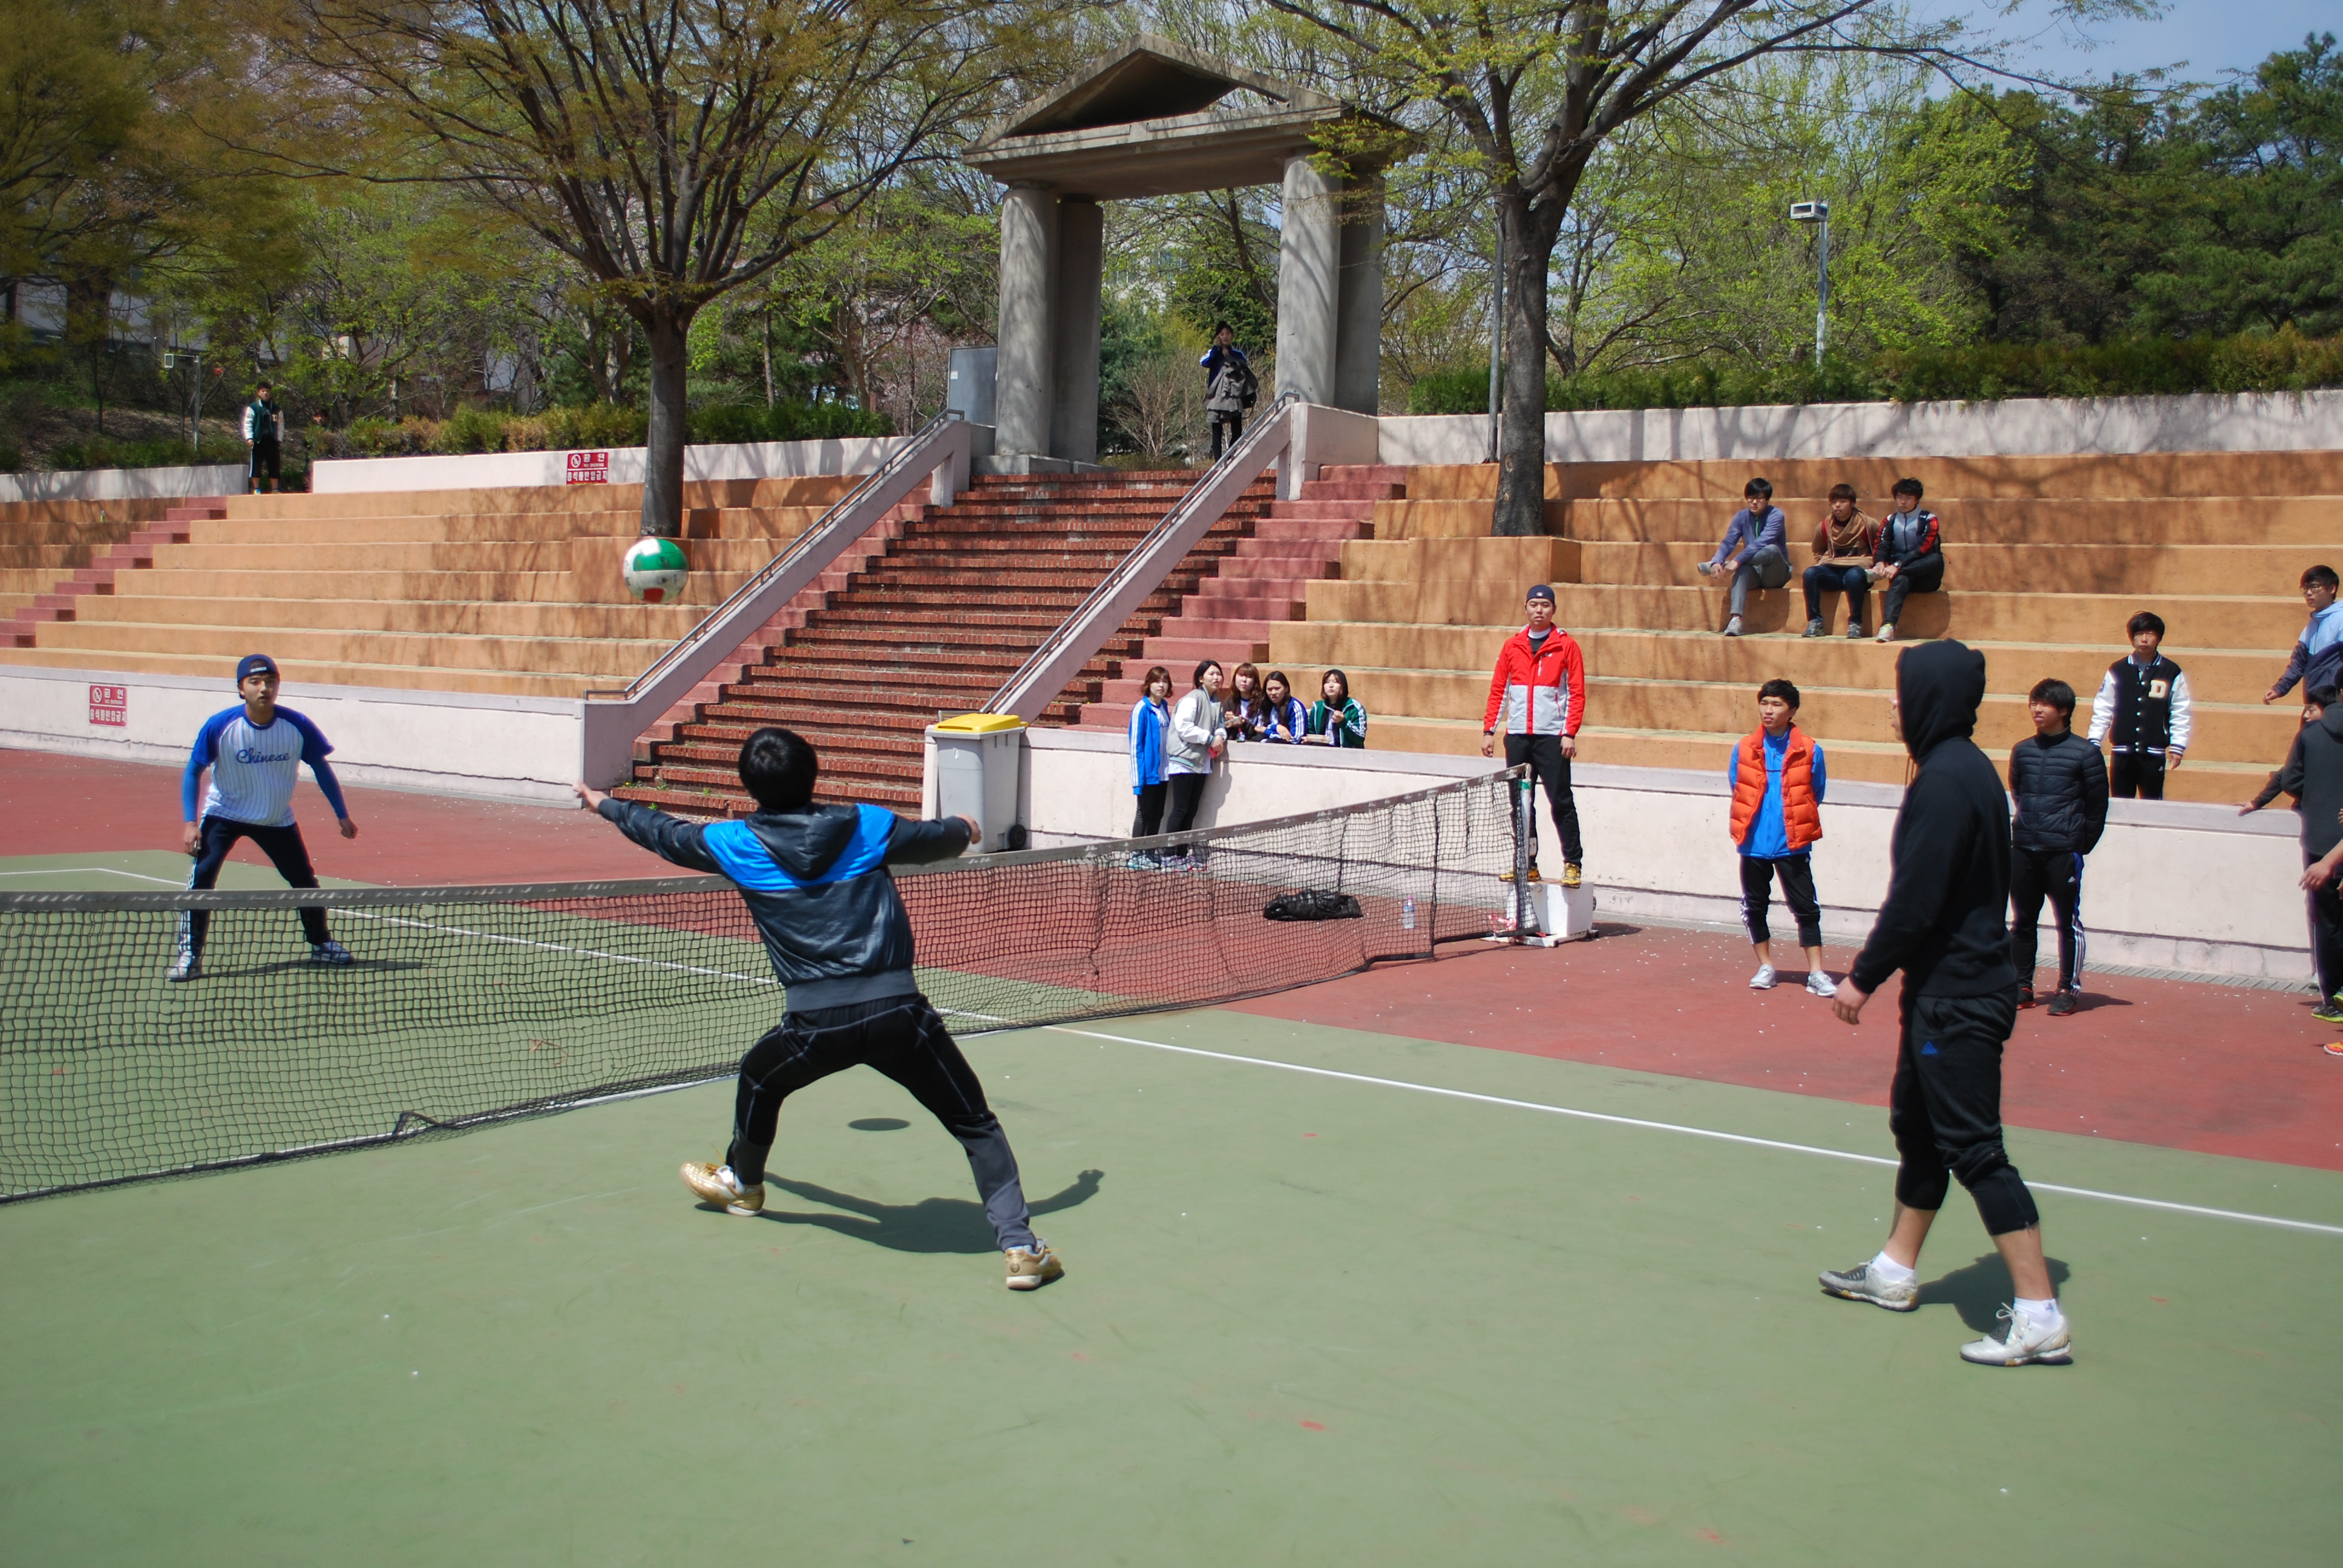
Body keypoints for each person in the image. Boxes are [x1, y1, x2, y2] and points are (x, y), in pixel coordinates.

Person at [571, 728, 1066, 1290]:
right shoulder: (866, 826)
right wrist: (965, 828)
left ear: (748, 785)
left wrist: (604, 804)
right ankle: (1021, 1247)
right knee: (975, 1123)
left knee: (760, 1077)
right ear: (814, 773)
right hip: (899, 1017)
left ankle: (744, 1184)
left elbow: (662, 832)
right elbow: (940, 838)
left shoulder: (732, 843)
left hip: (815, 1027)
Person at [1821, 641, 2071, 1367]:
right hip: (1944, 991)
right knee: (1920, 1131)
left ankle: (2038, 1314)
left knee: (1974, 1148)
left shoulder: (1946, 781)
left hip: (1958, 1000)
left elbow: (1916, 899)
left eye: (1902, 696)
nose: (1892, 708)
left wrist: (1862, 976)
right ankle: (1893, 1272)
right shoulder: (1962, 770)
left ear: (1930, 701)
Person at [169, 653, 357, 982]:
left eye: (270, 682)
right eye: (255, 682)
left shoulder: (297, 725)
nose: (264, 688)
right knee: (202, 880)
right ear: (241, 689)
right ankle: (190, 954)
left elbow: (321, 768)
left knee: (304, 882)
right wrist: (190, 823)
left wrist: (342, 814)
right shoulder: (220, 726)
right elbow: (193, 771)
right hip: (224, 814)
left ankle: (322, 944)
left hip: (275, 819)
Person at [2008, 678, 2109, 1016]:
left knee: (2068, 923)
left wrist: (2080, 844)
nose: (2036, 709)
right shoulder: (2022, 750)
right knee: (2022, 922)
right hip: (2024, 847)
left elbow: (2097, 805)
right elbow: (2019, 793)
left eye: (2045, 704)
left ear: (2064, 710)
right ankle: (2022, 986)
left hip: (2063, 851)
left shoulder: (2086, 753)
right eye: (2033, 703)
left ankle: (2067, 988)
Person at [1729, 678, 1832, 995]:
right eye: (1764, 703)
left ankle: (1816, 973)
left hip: (1793, 843)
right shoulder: (1743, 748)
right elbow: (1737, 786)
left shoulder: (1810, 749)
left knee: (1806, 908)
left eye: (1776, 704)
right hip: (1753, 844)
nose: (1768, 710)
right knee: (1755, 907)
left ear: (1792, 710)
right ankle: (1766, 967)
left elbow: (1816, 791)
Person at [1481, 584, 1587, 887]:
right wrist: (1489, 730)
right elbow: (1499, 690)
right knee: (1521, 804)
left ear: (1553, 610)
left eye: (1545, 605)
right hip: (1518, 738)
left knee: (1561, 800)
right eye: (1533, 605)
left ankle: (1573, 864)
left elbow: (1576, 692)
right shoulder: (1512, 646)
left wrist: (1569, 733)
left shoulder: (1567, 646)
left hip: (1552, 738)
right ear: (1526, 609)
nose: (1539, 610)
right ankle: (1527, 864)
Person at [2263, 685, 2343, 1027]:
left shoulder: (2311, 734)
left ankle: (2333, 996)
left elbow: (2292, 780)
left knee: (2326, 921)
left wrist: (2316, 797)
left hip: (2321, 840)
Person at [2086, 611, 2192, 800]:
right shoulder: (2117, 670)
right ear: (2131, 638)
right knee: (2120, 804)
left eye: (2150, 634)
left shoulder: (2171, 671)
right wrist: (2094, 739)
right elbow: (2104, 706)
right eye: (2139, 634)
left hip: (2153, 754)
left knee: (2152, 806)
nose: (2144, 639)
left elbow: (2180, 709)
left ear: (2159, 638)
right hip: (2122, 753)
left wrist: (2178, 745)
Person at [1695, 478, 1788, 638]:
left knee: (1771, 550)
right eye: (1750, 498)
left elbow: (1761, 543)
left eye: (1759, 498)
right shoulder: (1741, 517)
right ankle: (1736, 620)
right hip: (1754, 572)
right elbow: (1728, 542)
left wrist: (1736, 561)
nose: (1754, 502)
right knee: (1742, 570)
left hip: (1775, 573)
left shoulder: (1776, 516)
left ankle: (1723, 564)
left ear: (1767, 500)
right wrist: (1718, 560)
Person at [1870, 477, 1944, 644]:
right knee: (1901, 578)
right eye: (1900, 497)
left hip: (1925, 575)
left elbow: (1923, 549)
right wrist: (1880, 563)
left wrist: (1897, 565)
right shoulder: (1890, 520)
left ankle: (1893, 572)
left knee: (1936, 558)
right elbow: (1882, 544)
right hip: (1902, 576)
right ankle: (1888, 626)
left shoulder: (1929, 519)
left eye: (1909, 498)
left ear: (1917, 500)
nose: (1903, 502)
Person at [1801, 483, 1878, 639]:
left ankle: (1855, 623)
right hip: (1833, 572)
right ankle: (1815, 622)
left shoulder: (1868, 524)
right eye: (1834, 502)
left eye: (1843, 501)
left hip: (1859, 572)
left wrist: (1874, 565)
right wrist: (1824, 561)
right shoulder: (1824, 526)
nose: (1837, 505)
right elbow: (1818, 550)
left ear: (1852, 503)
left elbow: (1880, 547)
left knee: (1853, 576)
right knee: (1810, 574)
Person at [1164, 660, 1226, 842]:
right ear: (1201, 679)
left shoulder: (1216, 702)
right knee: (1180, 809)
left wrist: (1220, 736)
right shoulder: (1193, 698)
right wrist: (1210, 739)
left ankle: (1182, 852)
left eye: (1219, 674)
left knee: (1191, 810)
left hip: (1201, 762)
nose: (1216, 677)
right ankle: (1169, 851)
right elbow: (1184, 727)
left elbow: (1220, 726)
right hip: (1184, 760)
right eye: (1211, 674)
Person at [2264, 565, 2342, 705]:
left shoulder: (2340, 619)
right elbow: (2298, 663)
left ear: (2332, 589)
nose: (2309, 593)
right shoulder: (2312, 625)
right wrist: (2279, 689)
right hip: (2313, 702)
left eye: (2314, 587)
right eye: (2305, 588)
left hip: (2334, 703)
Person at [1127, 665, 1172, 840]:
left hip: (1164, 772)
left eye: (1165, 681)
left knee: (1158, 813)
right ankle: (1137, 851)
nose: (1161, 685)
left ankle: (1150, 850)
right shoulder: (1141, 709)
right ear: (1149, 684)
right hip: (1148, 773)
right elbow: (1135, 746)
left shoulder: (1164, 707)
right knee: (1144, 813)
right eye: (1157, 681)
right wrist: (1137, 780)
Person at [1201, 323, 1253, 462]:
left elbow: (1244, 368)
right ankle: (1218, 463)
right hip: (1216, 396)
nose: (1225, 337)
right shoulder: (1213, 353)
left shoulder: (1238, 354)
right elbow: (1204, 362)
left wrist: (1230, 358)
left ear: (1232, 335)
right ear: (1218, 336)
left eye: (1228, 333)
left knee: (1237, 430)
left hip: (1234, 396)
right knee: (1217, 430)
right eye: (1222, 334)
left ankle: (1229, 457)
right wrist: (1216, 349)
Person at [1303, 669, 1367, 748]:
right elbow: (1311, 732)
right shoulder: (1317, 708)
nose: (1331, 685)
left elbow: (1360, 737)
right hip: (1321, 747)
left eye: (1336, 682)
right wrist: (1308, 739)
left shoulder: (1353, 707)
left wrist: (1343, 722)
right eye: (1327, 682)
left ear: (1343, 686)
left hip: (1345, 751)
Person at [242, 383, 284, 495]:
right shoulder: (253, 408)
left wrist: (279, 439)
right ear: (259, 393)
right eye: (263, 391)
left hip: (272, 440)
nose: (265, 393)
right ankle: (257, 488)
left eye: (267, 391)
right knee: (256, 464)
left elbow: (281, 425)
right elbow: (248, 423)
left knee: (274, 464)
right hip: (258, 440)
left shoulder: (276, 409)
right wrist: (249, 437)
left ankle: (275, 489)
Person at [1224, 661, 1269, 742]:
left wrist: (1243, 724)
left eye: (1249, 677)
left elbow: (1261, 732)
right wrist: (1229, 722)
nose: (1244, 680)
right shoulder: (1230, 700)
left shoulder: (1262, 702)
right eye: (1241, 675)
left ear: (1255, 681)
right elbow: (1223, 729)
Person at [1259, 670, 1309, 743]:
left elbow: (1296, 739)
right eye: (1270, 689)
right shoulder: (1265, 705)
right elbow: (1259, 728)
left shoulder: (1295, 707)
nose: (1273, 693)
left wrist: (1269, 731)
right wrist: (1276, 727)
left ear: (1286, 688)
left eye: (1277, 689)